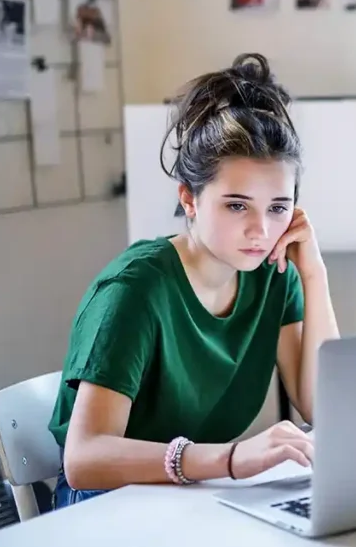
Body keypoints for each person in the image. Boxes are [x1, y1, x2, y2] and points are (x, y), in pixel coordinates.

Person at [47, 53, 340, 507]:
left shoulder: (274, 274)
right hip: (106, 504)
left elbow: (323, 409)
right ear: (189, 199)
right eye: (237, 205)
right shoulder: (135, 289)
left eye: (278, 207)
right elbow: (84, 458)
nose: (261, 231)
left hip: (197, 498)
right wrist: (230, 459)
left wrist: (314, 273)